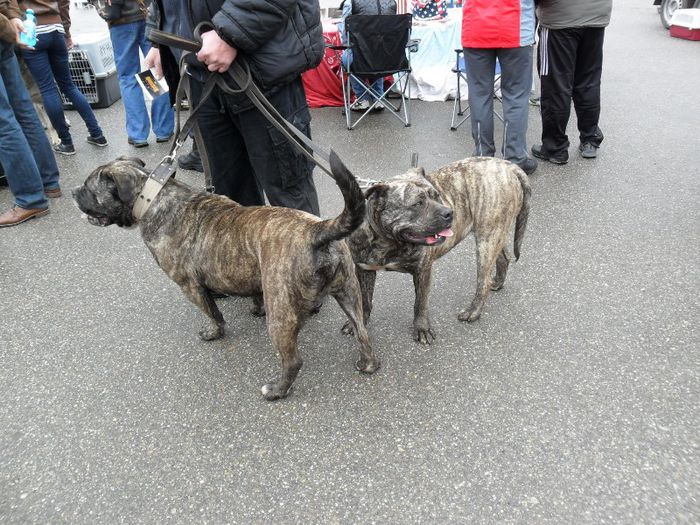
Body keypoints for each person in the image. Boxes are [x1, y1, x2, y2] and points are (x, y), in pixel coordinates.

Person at [143, 0, 323, 214]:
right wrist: (160, 37)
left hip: (261, 70)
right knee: (230, 207)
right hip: (201, 76)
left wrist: (229, 32)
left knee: (291, 205)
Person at [0, 0, 62, 227]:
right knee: (24, 110)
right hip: (5, 28)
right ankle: (49, 182)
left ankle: (30, 198)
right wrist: (13, 17)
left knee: (3, 122)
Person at [19, 0, 108, 155]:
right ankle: (97, 134)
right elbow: (64, 2)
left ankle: (66, 143)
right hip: (56, 29)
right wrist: (66, 31)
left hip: (31, 30)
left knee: (47, 89)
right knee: (69, 85)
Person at [461, 0, 538, 175]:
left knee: (479, 94)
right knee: (516, 96)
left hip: (476, 26)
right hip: (515, 26)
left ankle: (482, 156)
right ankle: (515, 157)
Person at [532, 0, 612, 164]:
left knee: (556, 85)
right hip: (596, 15)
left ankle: (555, 147)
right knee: (588, 81)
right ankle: (590, 138)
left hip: (560, 18)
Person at [92, 0, 174, 148]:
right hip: (148, 12)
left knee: (128, 77)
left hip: (119, 19)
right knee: (156, 71)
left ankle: (138, 133)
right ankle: (163, 129)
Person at [337, 0, 396, 112]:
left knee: (350, 57)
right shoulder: (390, 2)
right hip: (389, 59)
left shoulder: (351, 3)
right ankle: (378, 97)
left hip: (360, 58)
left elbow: (346, 35)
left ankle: (363, 99)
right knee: (377, 54)